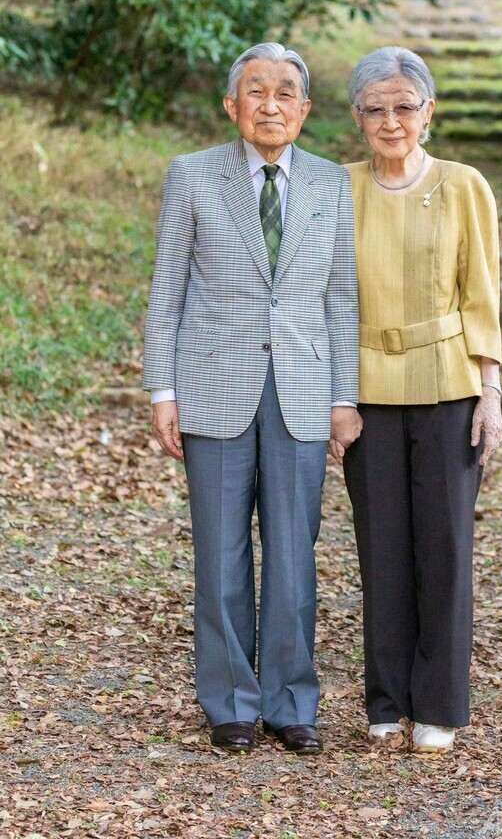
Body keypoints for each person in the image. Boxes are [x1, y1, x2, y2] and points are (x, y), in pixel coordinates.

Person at [142, 42, 362, 755]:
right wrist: (162, 388)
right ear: (231, 105)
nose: (271, 105)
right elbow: (167, 288)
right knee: (220, 551)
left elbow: (340, 297)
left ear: (305, 108)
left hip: (303, 388)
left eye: (284, 92)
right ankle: (230, 702)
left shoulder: (330, 182)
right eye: (256, 92)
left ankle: (291, 702)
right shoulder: (192, 175)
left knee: (295, 553)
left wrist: (344, 397)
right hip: (212, 384)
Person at [341, 46, 502, 753]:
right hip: (365, 391)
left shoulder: (464, 185)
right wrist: (334, 398)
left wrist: (490, 390)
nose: (390, 121)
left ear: (427, 111)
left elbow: (481, 295)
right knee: (381, 550)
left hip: (447, 385)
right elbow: (324, 300)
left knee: (443, 549)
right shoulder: (337, 188)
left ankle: (437, 705)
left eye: (404, 106)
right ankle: (385, 701)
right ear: (356, 117)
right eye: (375, 108)